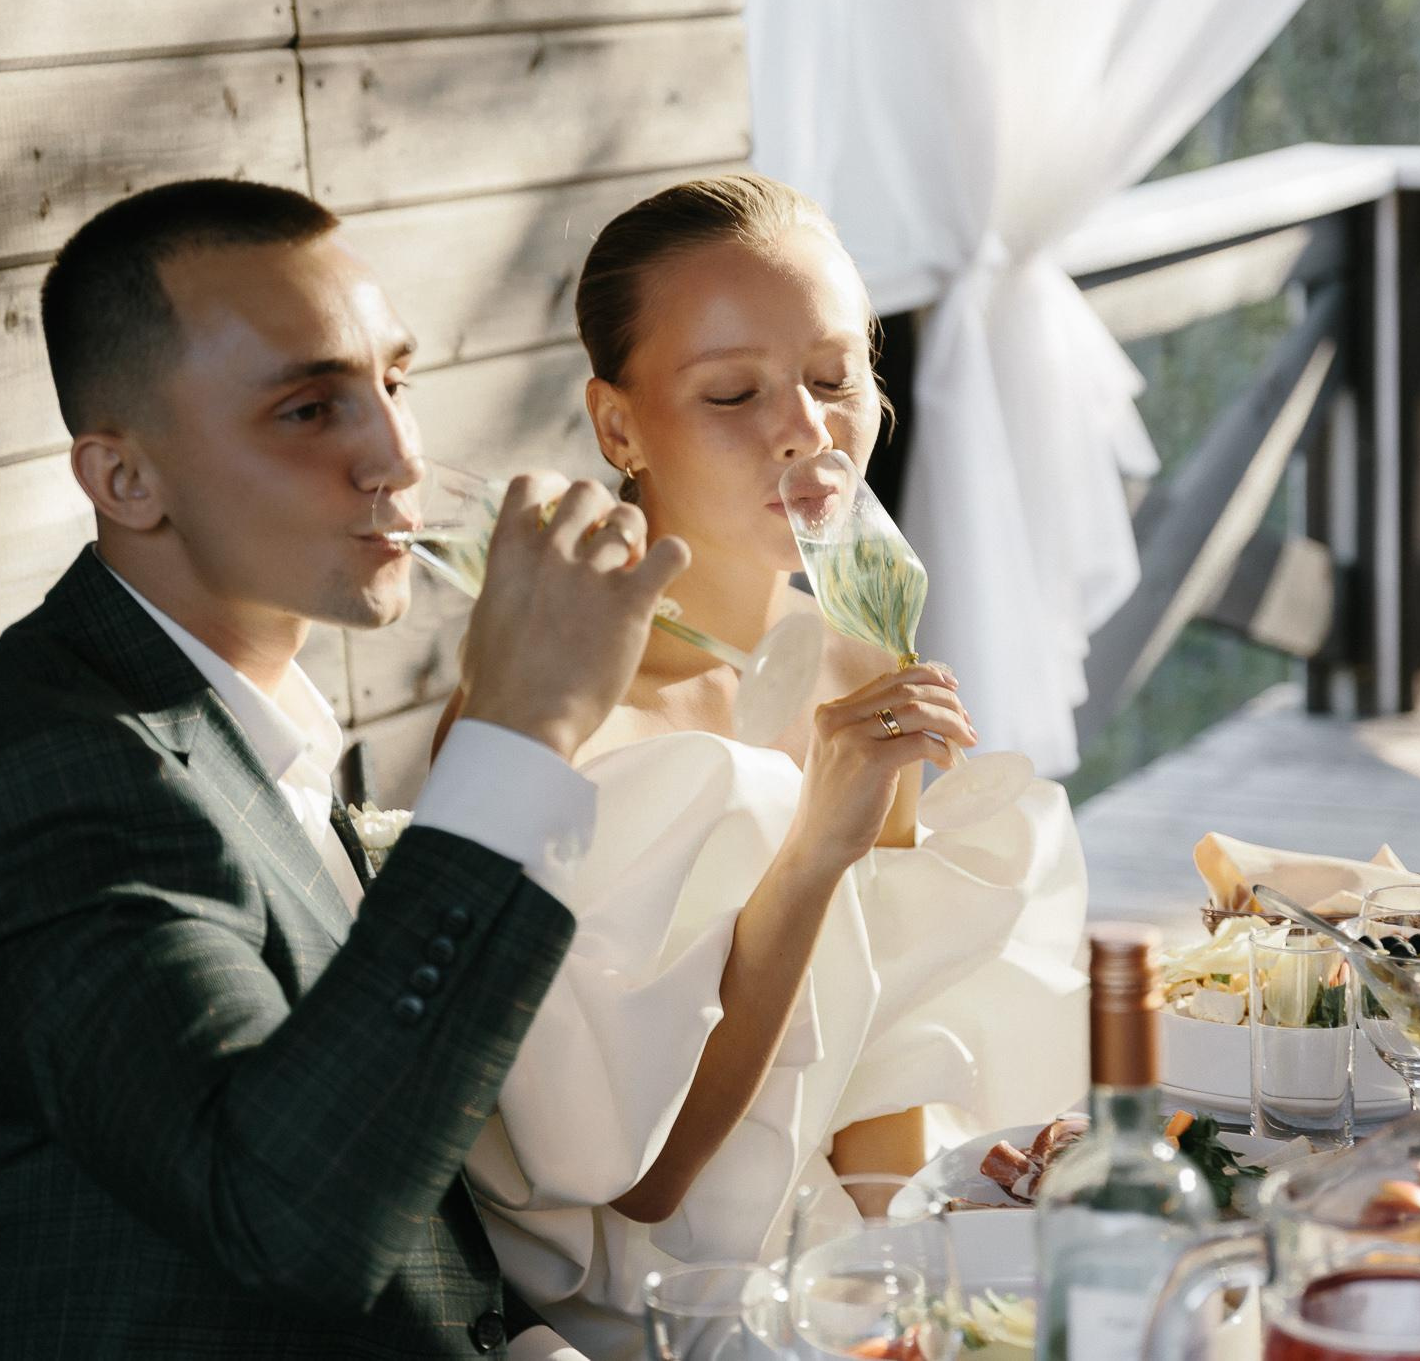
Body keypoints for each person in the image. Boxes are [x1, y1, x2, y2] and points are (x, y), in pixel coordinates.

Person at [0, 178, 687, 1359]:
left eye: (393, 383)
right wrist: (521, 731)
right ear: (124, 480)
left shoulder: (235, 718)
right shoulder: (58, 794)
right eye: (309, 410)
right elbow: (294, 1219)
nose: (396, 456)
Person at [455, 175, 1091, 1360]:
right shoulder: (550, 717)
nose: (807, 427)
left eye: (837, 377)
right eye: (733, 391)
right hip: (669, 1310)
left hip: (852, 1272)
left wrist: (922, 1269)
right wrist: (809, 856)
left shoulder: (857, 642)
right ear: (617, 426)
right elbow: (646, 1184)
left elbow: (884, 1039)